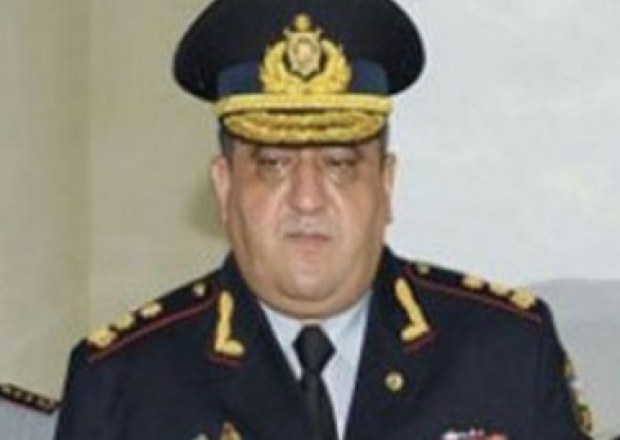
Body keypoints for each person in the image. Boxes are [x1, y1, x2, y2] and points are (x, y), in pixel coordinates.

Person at [53, 0, 593, 439]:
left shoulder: (507, 353)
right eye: (273, 165)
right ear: (224, 186)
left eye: (339, 165)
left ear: (386, 184)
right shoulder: (123, 383)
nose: (307, 200)